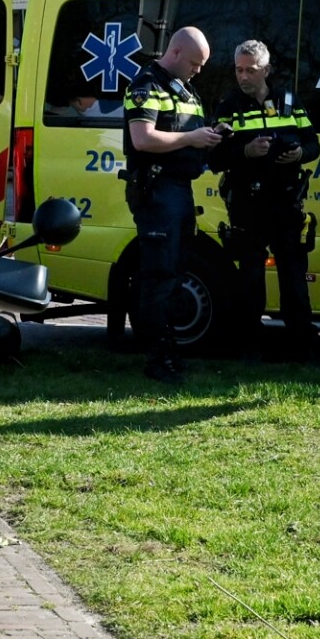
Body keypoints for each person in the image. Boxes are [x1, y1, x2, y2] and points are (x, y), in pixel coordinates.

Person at [120, 26, 224, 385]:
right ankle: (156, 358)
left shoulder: (186, 89)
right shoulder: (146, 85)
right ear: (176, 52)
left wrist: (210, 135)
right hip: (157, 191)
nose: (198, 70)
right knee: (158, 276)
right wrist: (192, 137)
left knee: (176, 272)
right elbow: (143, 139)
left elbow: (188, 133)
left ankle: (169, 352)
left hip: (180, 190)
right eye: (195, 63)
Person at [210, 40, 320, 361]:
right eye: (238, 69)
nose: (243, 76)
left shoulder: (289, 102)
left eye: (250, 70)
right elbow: (215, 159)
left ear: (266, 70)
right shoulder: (228, 106)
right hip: (249, 206)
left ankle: (305, 350)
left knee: (295, 282)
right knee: (250, 282)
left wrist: (300, 153)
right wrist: (244, 151)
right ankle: (248, 350)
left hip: (286, 204)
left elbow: (314, 144)